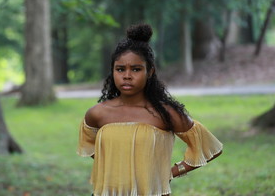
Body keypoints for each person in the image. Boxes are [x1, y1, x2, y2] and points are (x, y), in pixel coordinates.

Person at [77, 23, 223, 196]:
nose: (127, 75)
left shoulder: (165, 113)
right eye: (120, 69)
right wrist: (116, 167)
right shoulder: (97, 114)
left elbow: (208, 147)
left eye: (136, 69)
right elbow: (91, 147)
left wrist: (170, 172)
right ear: (113, 71)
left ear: (150, 71)